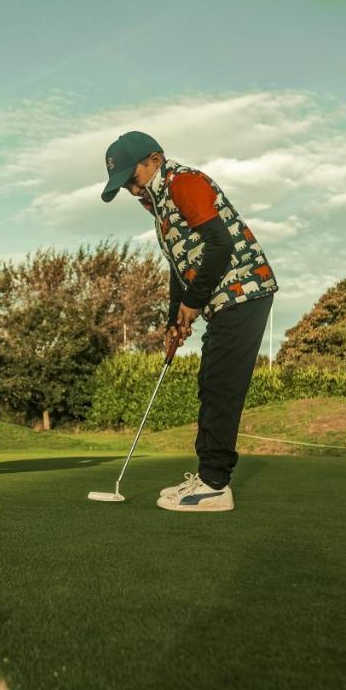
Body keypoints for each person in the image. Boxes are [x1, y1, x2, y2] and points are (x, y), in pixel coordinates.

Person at [99, 131, 278, 512]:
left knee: (220, 385)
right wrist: (173, 321)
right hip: (226, 300)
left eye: (133, 178)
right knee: (211, 381)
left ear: (155, 160)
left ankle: (214, 486)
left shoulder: (185, 183)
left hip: (245, 292)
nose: (132, 190)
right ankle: (209, 476)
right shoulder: (160, 206)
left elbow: (220, 245)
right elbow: (180, 269)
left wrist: (194, 303)